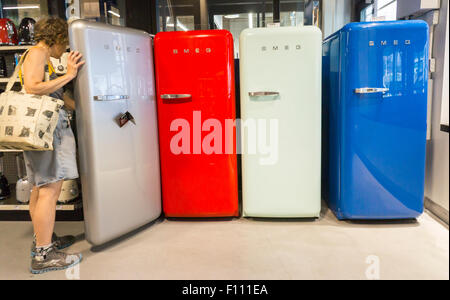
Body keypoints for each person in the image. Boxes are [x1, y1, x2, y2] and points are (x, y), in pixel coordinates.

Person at [21, 17, 85, 274]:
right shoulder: (38, 52)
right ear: (56, 39)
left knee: (40, 188)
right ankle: (44, 255)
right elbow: (32, 87)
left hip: (40, 134)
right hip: (46, 134)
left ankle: (42, 239)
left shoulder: (41, 56)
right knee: (49, 189)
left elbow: (56, 95)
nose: (65, 50)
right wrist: (70, 75)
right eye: (64, 44)